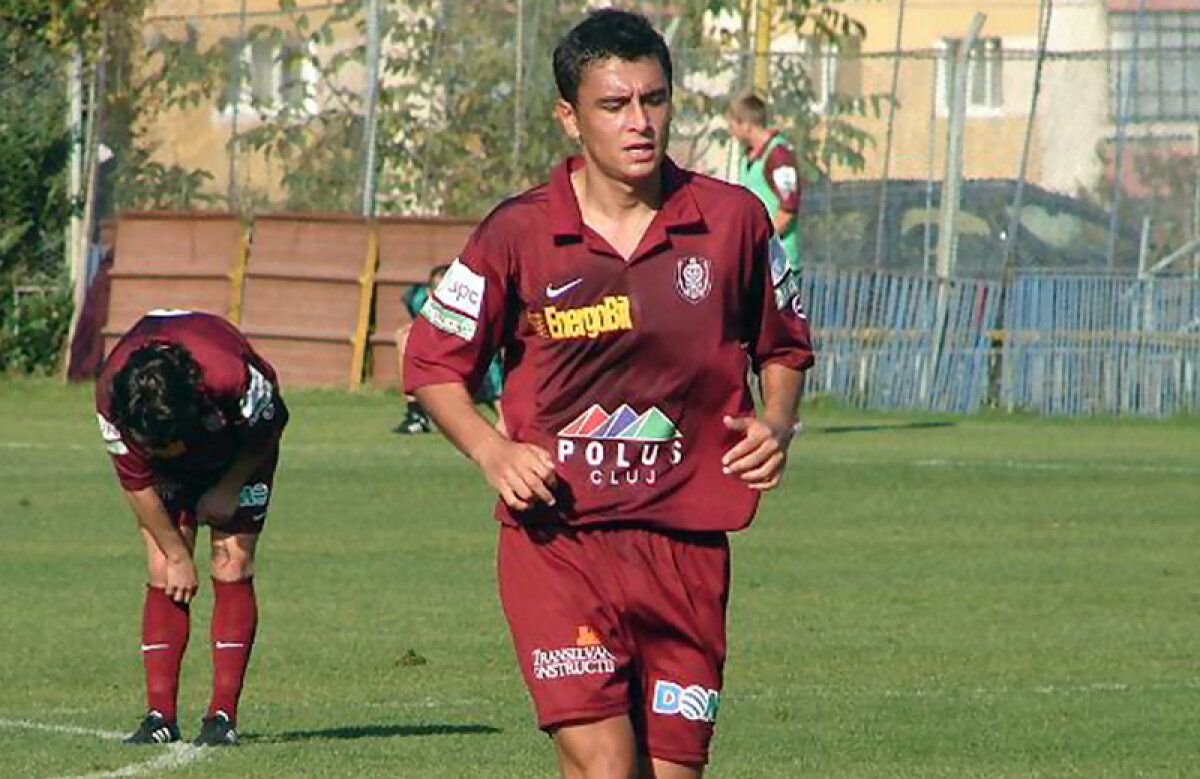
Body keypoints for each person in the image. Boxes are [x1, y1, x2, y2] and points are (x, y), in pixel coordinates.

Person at [403, 9, 813, 778]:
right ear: (569, 115)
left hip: (688, 544)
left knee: (672, 770)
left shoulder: (733, 223)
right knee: (604, 765)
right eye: (614, 104)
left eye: (654, 100)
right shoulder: (516, 233)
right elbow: (431, 362)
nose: (640, 123)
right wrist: (491, 450)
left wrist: (779, 419)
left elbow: (784, 346)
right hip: (560, 539)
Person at [95, 310, 288, 747]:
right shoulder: (111, 396)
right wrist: (178, 556)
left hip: (240, 450)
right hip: (167, 471)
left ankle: (222, 716)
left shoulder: (230, 375)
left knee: (231, 562)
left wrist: (229, 486)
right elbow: (136, 483)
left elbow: (271, 426)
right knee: (163, 571)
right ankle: (159, 716)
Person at [394, 264, 503, 434]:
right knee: (405, 337)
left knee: (509, 423)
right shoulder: (418, 301)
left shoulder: (473, 311)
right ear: (429, 294)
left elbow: (491, 358)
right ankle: (416, 415)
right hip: (442, 372)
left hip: (475, 368)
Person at [726, 93, 803, 275]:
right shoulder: (748, 156)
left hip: (779, 265)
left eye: (733, 125)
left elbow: (788, 209)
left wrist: (759, 241)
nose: (731, 132)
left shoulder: (779, 156)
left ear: (747, 125)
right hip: (757, 262)